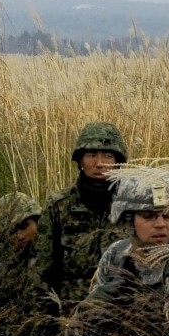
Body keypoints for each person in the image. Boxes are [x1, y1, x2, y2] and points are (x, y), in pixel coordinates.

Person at [64, 169, 169, 336]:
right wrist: (91, 309)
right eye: (148, 216)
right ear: (129, 220)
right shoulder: (116, 254)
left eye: (168, 215)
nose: (161, 224)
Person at [39, 122, 131, 308]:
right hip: (71, 313)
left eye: (108, 155)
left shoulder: (132, 205)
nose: (100, 163)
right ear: (80, 160)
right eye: (91, 155)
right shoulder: (58, 206)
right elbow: (40, 274)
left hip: (122, 315)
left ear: (118, 161)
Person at [0, 192, 58, 336]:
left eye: (25, 226)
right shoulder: (2, 264)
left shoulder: (54, 252)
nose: (20, 236)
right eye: (12, 231)